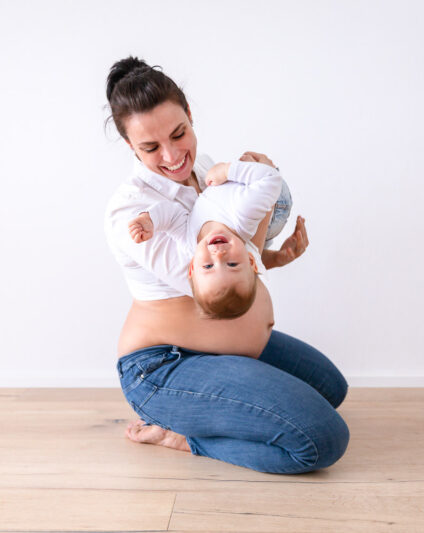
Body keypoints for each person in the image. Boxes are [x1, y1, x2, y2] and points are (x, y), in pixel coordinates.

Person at [104, 56, 350, 474]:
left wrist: (273, 257)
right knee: (322, 441)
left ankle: (219, 411)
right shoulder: (131, 213)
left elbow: (237, 257)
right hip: (165, 366)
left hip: (217, 349)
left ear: (190, 116)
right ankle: (184, 436)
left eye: (179, 133)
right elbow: (211, 271)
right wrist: (264, 188)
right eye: (150, 148)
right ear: (131, 147)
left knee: (331, 388)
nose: (172, 155)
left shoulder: (203, 168)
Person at [127, 157, 284, 318]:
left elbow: (172, 216)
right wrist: (227, 170)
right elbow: (271, 179)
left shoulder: (189, 242)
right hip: (277, 205)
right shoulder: (243, 214)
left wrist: (150, 220)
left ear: (192, 267)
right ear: (250, 261)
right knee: (257, 167)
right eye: (232, 264)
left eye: (208, 267)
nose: (219, 255)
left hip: (236, 192)